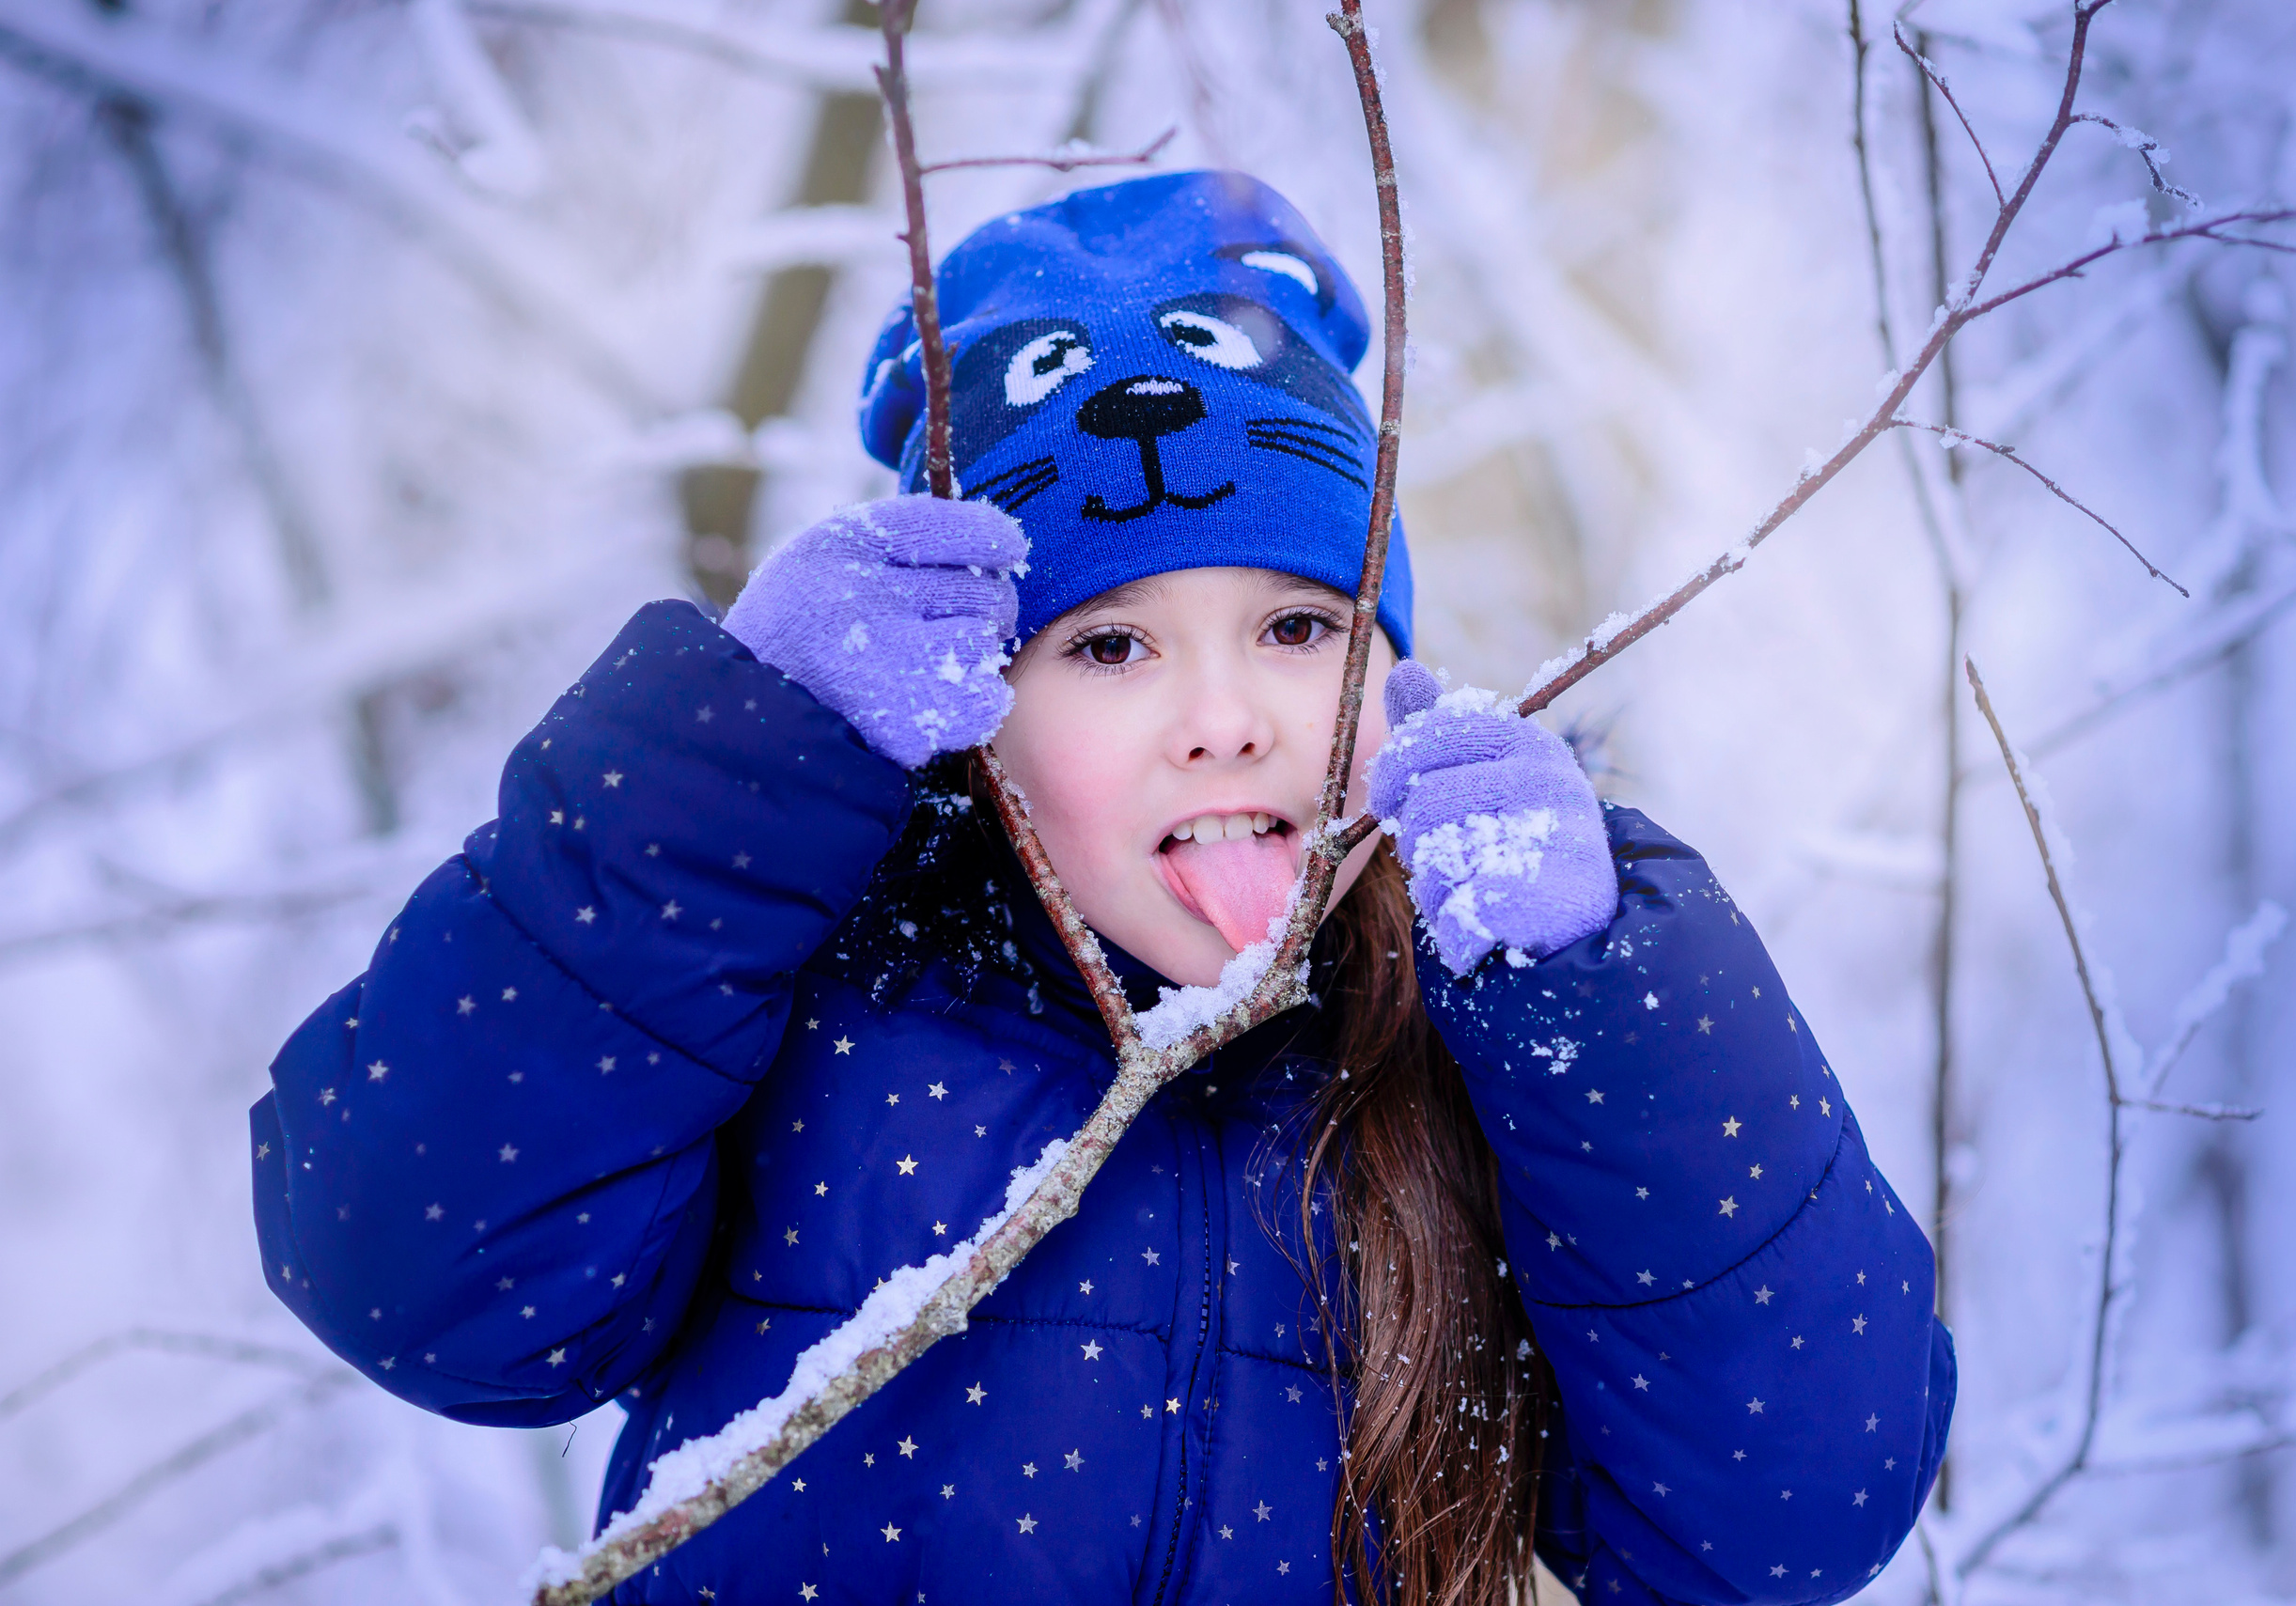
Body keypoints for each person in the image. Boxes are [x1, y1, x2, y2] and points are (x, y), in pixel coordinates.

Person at [252, 170, 1952, 1606]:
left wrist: (1608, 999)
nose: (1227, 721)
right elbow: (420, 1275)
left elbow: (1788, 1513)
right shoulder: (814, 984)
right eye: (1113, 645)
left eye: (1301, 629)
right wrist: (727, 778)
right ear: (972, 699)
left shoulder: (1472, 1051)